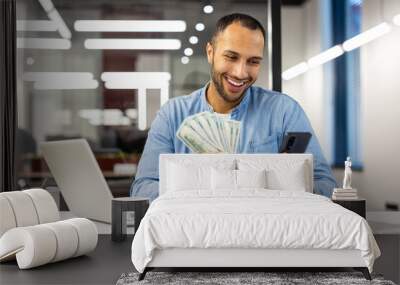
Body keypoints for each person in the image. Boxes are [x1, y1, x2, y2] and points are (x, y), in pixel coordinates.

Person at [130, 13, 337, 201]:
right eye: (231, 57)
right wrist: (200, 185)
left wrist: (277, 184)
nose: (240, 72)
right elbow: (142, 189)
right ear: (210, 53)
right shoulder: (172, 116)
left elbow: (325, 185)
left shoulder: (285, 112)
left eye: (253, 61)